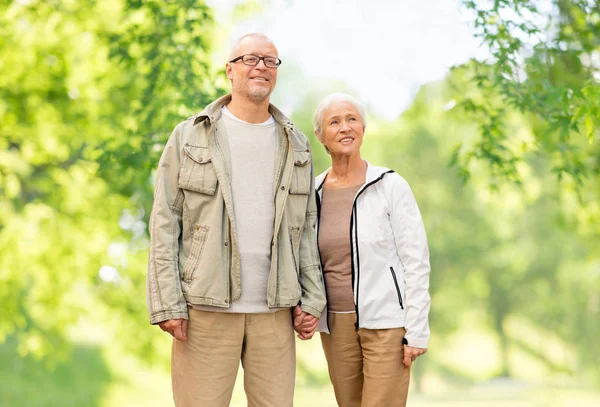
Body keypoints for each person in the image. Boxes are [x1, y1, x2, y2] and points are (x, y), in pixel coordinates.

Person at [146, 33, 326, 407]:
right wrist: (168, 303)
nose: (261, 66)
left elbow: (306, 227)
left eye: (270, 61)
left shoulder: (297, 144)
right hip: (205, 310)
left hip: (275, 312)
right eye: (250, 58)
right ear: (230, 70)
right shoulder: (189, 135)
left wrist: (312, 297)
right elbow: (165, 222)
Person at [303, 92, 431, 406]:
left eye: (352, 119)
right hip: (335, 325)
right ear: (321, 136)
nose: (345, 127)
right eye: (334, 122)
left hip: (386, 321)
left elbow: (416, 260)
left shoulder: (390, 185)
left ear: (363, 128)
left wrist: (416, 329)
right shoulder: (312, 193)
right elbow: (303, 260)